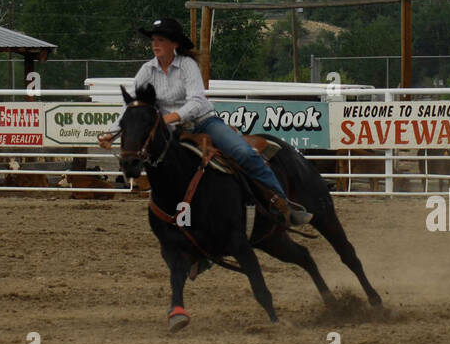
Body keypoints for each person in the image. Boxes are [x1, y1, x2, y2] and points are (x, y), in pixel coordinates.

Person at [99, 17, 312, 226]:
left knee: (244, 152)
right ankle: (177, 219)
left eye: (161, 40)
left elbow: (197, 102)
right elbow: (132, 107)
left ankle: (283, 204)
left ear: (174, 44)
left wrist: (168, 118)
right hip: (171, 132)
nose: (155, 44)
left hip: (203, 123)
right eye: (154, 40)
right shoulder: (147, 70)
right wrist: (111, 132)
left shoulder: (187, 65)